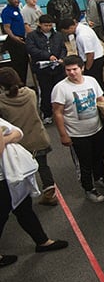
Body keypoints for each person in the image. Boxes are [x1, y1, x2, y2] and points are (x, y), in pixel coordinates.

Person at [0, 115, 68, 268]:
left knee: (24, 208)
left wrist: (5, 137)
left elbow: (18, 132)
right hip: (2, 179)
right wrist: (5, 137)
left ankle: (42, 241)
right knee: (2, 214)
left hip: (12, 175)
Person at [52, 55, 104, 203]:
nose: (72, 73)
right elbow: (58, 113)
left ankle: (99, 178)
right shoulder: (60, 88)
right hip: (77, 134)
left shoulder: (91, 81)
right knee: (84, 163)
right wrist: (63, 135)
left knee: (99, 156)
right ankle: (88, 188)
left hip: (97, 129)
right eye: (68, 70)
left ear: (82, 68)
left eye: (75, 69)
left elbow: (101, 100)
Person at [0, 67, 58, 205]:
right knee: (43, 167)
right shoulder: (31, 93)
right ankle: (50, 193)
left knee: (19, 170)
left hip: (18, 144)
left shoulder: (1, 102)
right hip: (38, 137)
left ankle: (23, 198)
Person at [26, 14, 67, 123]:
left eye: (50, 25)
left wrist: (62, 58)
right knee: (46, 91)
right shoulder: (32, 36)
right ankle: (47, 114)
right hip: (43, 69)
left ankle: (64, 112)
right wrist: (47, 56)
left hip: (58, 68)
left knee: (61, 90)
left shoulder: (58, 35)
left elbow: (63, 48)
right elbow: (31, 49)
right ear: (39, 24)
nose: (48, 27)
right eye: (46, 25)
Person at [57, 19, 104, 98]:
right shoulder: (82, 28)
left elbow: (90, 54)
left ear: (71, 27)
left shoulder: (83, 35)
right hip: (93, 59)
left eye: (66, 31)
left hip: (93, 62)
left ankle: (101, 102)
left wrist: (87, 69)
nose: (66, 34)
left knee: (96, 82)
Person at [1, 0, 30, 85]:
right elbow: (6, 27)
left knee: (24, 63)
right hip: (14, 41)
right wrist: (14, 37)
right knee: (18, 65)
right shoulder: (7, 11)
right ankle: (18, 84)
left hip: (22, 38)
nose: (16, 0)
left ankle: (23, 83)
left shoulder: (17, 9)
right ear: (8, 0)